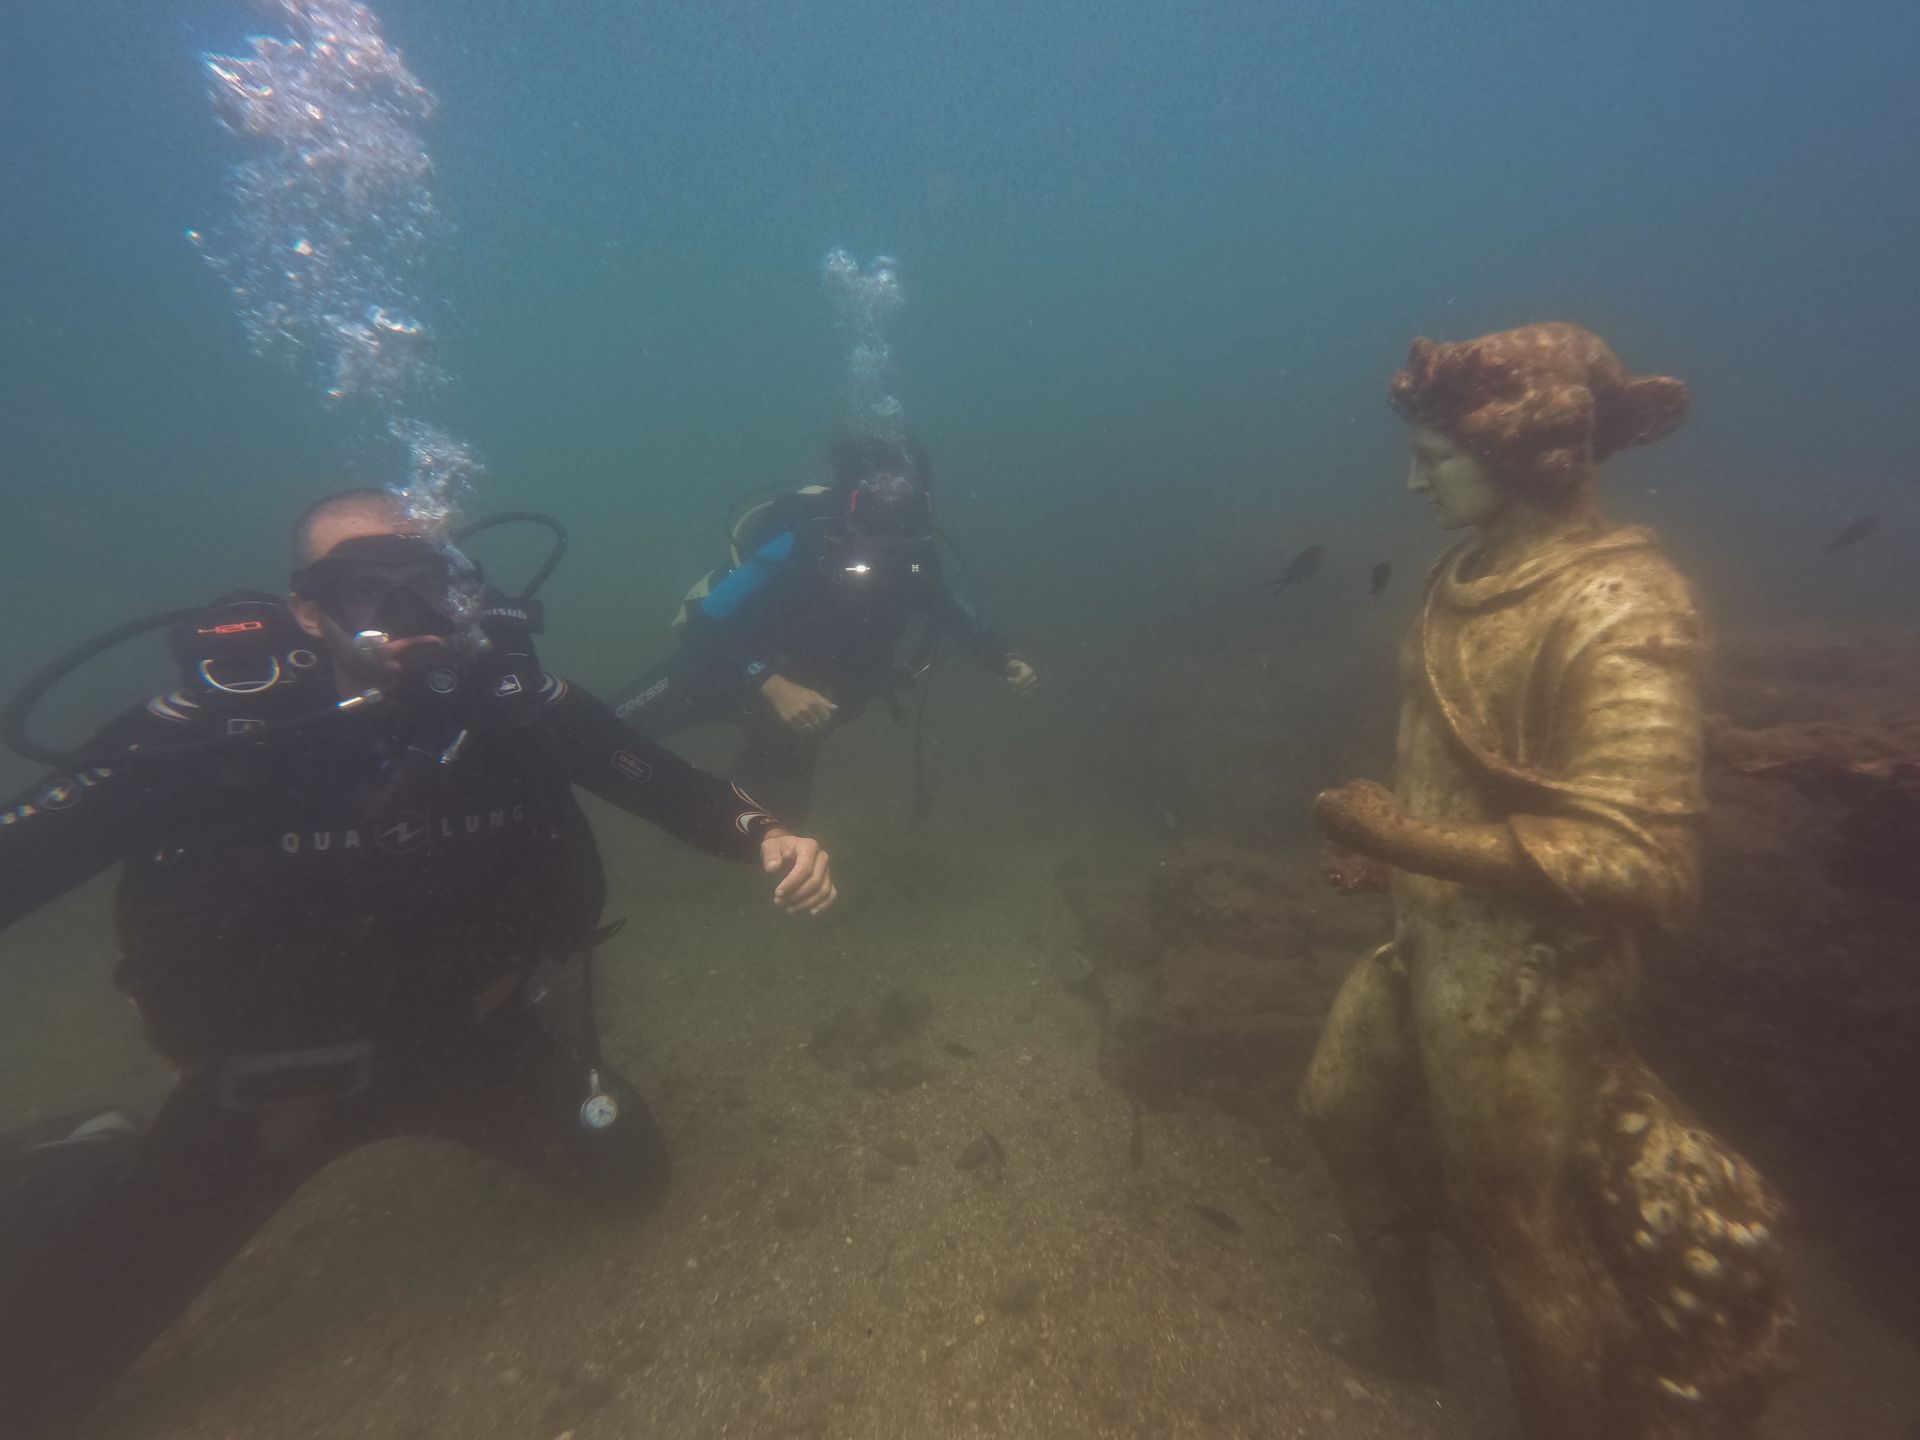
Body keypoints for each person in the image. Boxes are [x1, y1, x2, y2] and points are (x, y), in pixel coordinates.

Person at [0, 488, 837, 1436]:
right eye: (367, 586)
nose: (409, 613)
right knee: (36, 1380)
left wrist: (766, 835)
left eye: (433, 581)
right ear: (306, 609)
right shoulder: (208, 728)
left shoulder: (512, 705)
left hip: (470, 1043)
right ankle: (88, 1152)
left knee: (630, 1179)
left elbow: (664, 783)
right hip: (273, 1089)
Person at [1298, 325, 1792, 1439]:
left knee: (1515, 1232)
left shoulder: (1623, 606)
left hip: (1527, 985)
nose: (1412, 482)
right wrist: (1391, 852)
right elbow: (1468, 766)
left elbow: (1646, 867)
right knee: (1335, 1112)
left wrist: (1404, 836)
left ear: (1528, 453)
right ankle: (1405, 1335)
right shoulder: (1464, 574)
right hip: (1428, 944)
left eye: (1436, 457)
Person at [609, 434, 1037, 823]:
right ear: (851, 509)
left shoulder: (915, 561)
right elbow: (702, 626)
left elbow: (958, 614)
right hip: (721, 672)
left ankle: (697, 816)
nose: (889, 542)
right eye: (874, 521)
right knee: (596, 731)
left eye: (906, 524)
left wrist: (1005, 658)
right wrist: (771, 684)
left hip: (806, 711)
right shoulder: (803, 540)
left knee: (767, 828)